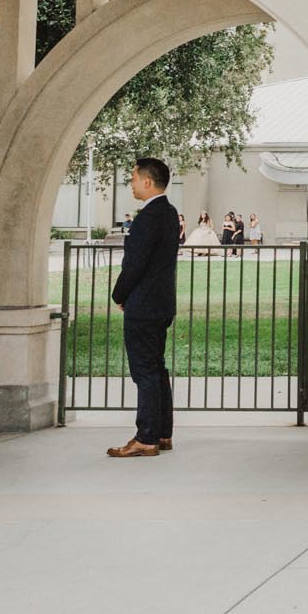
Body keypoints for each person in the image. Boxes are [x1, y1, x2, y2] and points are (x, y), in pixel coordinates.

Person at [107, 156, 179, 459]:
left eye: (134, 178)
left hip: (144, 304)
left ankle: (146, 437)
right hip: (161, 302)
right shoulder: (170, 213)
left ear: (147, 181)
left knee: (145, 371)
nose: (132, 183)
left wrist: (118, 295)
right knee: (157, 368)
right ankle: (162, 433)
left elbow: (136, 264)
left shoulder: (148, 217)